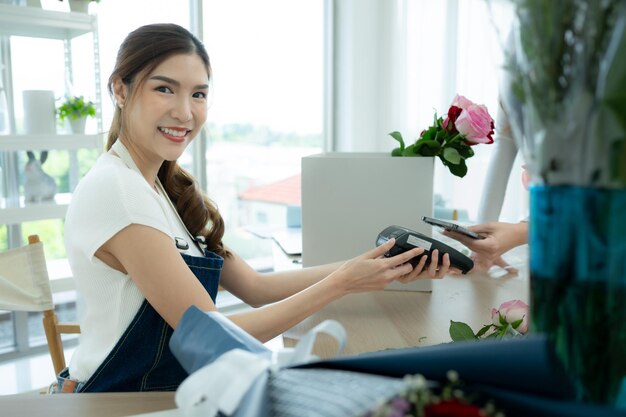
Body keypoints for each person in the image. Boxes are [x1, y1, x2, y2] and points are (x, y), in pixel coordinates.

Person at [59, 23, 452, 393]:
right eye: (164, 89)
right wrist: (344, 283)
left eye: (198, 94)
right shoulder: (118, 190)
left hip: (166, 386)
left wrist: (370, 265)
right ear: (121, 91)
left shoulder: (157, 189)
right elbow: (211, 333)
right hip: (122, 398)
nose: (185, 112)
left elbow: (256, 288)